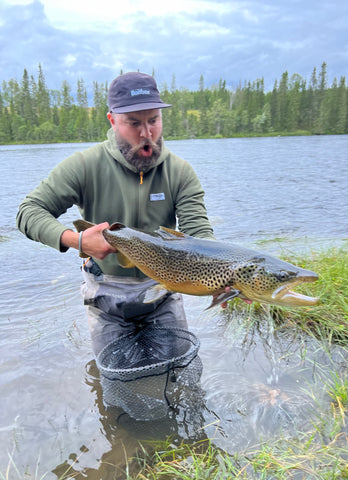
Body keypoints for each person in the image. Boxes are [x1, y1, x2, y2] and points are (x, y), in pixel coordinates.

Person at [16, 71, 217, 356]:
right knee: (116, 388)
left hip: (162, 295)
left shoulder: (180, 172)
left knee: (177, 381)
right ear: (112, 120)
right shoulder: (84, 166)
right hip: (105, 297)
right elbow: (29, 212)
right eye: (133, 123)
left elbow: (200, 237)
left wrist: (225, 282)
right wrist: (79, 241)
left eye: (153, 121)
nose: (146, 133)